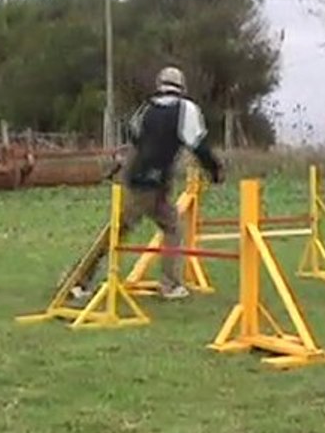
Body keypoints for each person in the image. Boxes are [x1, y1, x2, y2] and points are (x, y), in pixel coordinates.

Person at [69, 65, 224, 303]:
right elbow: (198, 145)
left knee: (171, 226)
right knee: (119, 230)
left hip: (141, 176)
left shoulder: (147, 107)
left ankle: (171, 284)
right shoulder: (185, 109)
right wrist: (215, 171)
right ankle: (77, 280)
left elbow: (134, 133)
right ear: (181, 86)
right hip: (151, 181)